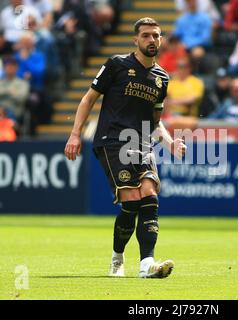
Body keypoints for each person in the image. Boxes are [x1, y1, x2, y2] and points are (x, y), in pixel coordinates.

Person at [64, 18, 187, 279]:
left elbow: (155, 122)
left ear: (161, 39)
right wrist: (75, 134)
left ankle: (147, 265)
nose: (151, 40)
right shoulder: (116, 65)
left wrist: (170, 142)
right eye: (146, 36)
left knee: (149, 194)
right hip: (112, 140)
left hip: (142, 142)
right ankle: (117, 258)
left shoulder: (162, 78)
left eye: (156, 35)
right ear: (136, 40)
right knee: (131, 197)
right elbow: (88, 99)